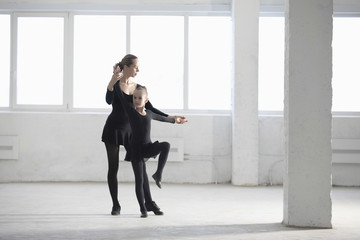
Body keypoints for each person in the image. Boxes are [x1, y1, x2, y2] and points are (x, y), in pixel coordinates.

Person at [101, 54, 186, 216]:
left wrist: (172, 118)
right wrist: (112, 81)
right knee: (113, 168)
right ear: (126, 67)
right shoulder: (116, 85)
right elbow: (108, 100)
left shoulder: (139, 87)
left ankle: (149, 203)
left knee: (141, 168)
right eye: (135, 66)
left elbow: (151, 110)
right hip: (113, 130)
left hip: (132, 133)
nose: (138, 69)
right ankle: (115, 205)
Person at [114, 83, 180, 217]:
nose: (136, 100)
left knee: (166, 145)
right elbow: (120, 96)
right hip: (136, 151)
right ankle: (143, 209)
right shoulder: (131, 112)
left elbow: (163, 118)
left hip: (148, 147)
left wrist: (175, 120)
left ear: (146, 100)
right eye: (134, 98)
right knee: (140, 180)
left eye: (139, 98)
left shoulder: (149, 113)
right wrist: (116, 80)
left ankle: (158, 174)